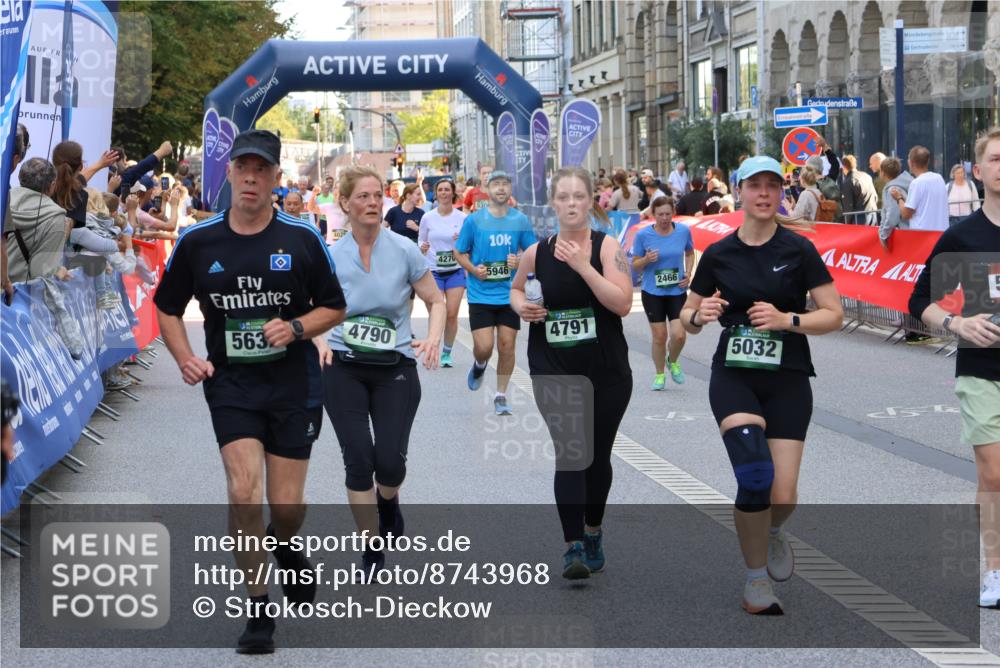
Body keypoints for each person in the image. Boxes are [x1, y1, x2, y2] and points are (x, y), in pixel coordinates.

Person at [153, 129, 346, 654]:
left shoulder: (302, 238)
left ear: (277, 179)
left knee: (285, 509)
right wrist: (186, 358)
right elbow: (166, 306)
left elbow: (335, 305)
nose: (252, 178)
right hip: (232, 384)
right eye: (244, 168)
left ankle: (287, 550)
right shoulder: (199, 241)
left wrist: (298, 327)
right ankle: (259, 609)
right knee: (243, 492)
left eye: (262, 170)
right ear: (230, 174)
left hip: (293, 383)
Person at [680, 155, 843, 615]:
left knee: (783, 495)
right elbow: (687, 318)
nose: (766, 193)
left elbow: (833, 314)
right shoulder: (718, 253)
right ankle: (755, 584)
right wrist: (699, 315)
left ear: (781, 193)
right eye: (756, 186)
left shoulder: (797, 250)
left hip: (788, 376)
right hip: (733, 376)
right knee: (755, 475)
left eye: (774, 185)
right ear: (742, 193)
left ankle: (772, 531)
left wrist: (787, 320)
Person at [316, 165, 445, 578]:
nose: (372, 203)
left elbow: (435, 300)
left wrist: (434, 337)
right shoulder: (330, 255)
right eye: (363, 197)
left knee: (389, 463)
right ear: (346, 205)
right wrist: (319, 341)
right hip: (344, 367)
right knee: (357, 460)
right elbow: (308, 309)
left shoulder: (405, 249)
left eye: (377, 196)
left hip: (395, 368)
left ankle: (388, 500)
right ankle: (371, 548)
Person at [510, 166, 633, 579]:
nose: (571, 204)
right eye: (563, 197)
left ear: (591, 200)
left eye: (579, 196)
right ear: (553, 203)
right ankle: (573, 546)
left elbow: (620, 303)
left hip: (606, 370)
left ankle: (593, 529)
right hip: (553, 367)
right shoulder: (537, 252)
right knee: (571, 452)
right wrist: (521, 307)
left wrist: (583, 266)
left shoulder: (606, 246)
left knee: (596, 458)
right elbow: (515, 287)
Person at [908, 127, 1000, 609]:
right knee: (995, 471)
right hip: (983, 369)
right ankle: (995, 572)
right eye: (996, 158)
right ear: (978, 170)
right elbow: (920, 300)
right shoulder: (963, 237)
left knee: (992, 481)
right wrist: (959, 324)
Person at [454, 170, 536, 415]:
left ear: (510, 189)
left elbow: (532, 253)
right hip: (480, 294)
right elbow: (459, 252)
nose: (501, 188)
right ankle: (480, 364)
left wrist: (519, 259)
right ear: (487, 189)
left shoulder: (520, 220)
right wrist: (473, 270)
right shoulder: (474, 221)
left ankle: (500, 395)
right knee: (485, 347)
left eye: (505, 183)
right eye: (496, 184)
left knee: (507, 345)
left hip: (509, 294)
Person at [631, 196, 694, 389]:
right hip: (652, 292)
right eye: (660, 215)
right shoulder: (643, 235)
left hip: (677, 290)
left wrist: (688, 273)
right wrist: (647, 259)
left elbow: (690, 253)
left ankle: (672, 360)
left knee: (679, 335)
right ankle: (659, 375)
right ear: (653, 215)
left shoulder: (683, 231)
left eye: (668, 214)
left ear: (673, 213)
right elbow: (635, 266)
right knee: (659, 336)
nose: (665, 218)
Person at [418, 179, 466, 367]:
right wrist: (422, 247)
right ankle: (433, 347)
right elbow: (420, 241)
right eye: (440, 190)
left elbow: (469, 243)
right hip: (434, 270)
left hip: (455, 269)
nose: (444, 193)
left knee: (452, 314)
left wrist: (461, 240)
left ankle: (447, 352)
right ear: (436, 194)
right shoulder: (427, 217)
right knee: (436, 312)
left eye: (447, 190)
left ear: (453, 193)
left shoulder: (462, 218)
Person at [5, 158, 70, 283]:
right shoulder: (55, 216)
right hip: (17, 296)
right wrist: (56, 270)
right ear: (52, 185)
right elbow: (41, 272)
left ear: (20, 177)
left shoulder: (3, 200)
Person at [890, 144, 948, 232]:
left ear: (911, 163)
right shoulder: (939, 178)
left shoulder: (917, 183)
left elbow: (906, 214)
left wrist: (898, 198)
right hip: (941, 234)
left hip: (923, 237)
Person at [878, 157, 913, 249]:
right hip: (910, 231)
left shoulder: (892, 190)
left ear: (883, 172)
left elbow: (892, 216)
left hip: (902, 234)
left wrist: (883, 235)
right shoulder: (907, 183)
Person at [840, 155, 879, 225]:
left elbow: (848, 207)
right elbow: (875, 197)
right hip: (873, 216)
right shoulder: (867, 176)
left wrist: (846, 223)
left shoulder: (849, 181)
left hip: (858, 221)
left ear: (844, 167)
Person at [806, 155, 843, 223]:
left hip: (822, 225)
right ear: (821, 167)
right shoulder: (830, 179)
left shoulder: (812, 186)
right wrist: (826, 149)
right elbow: (835, 164)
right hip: (838, 221)